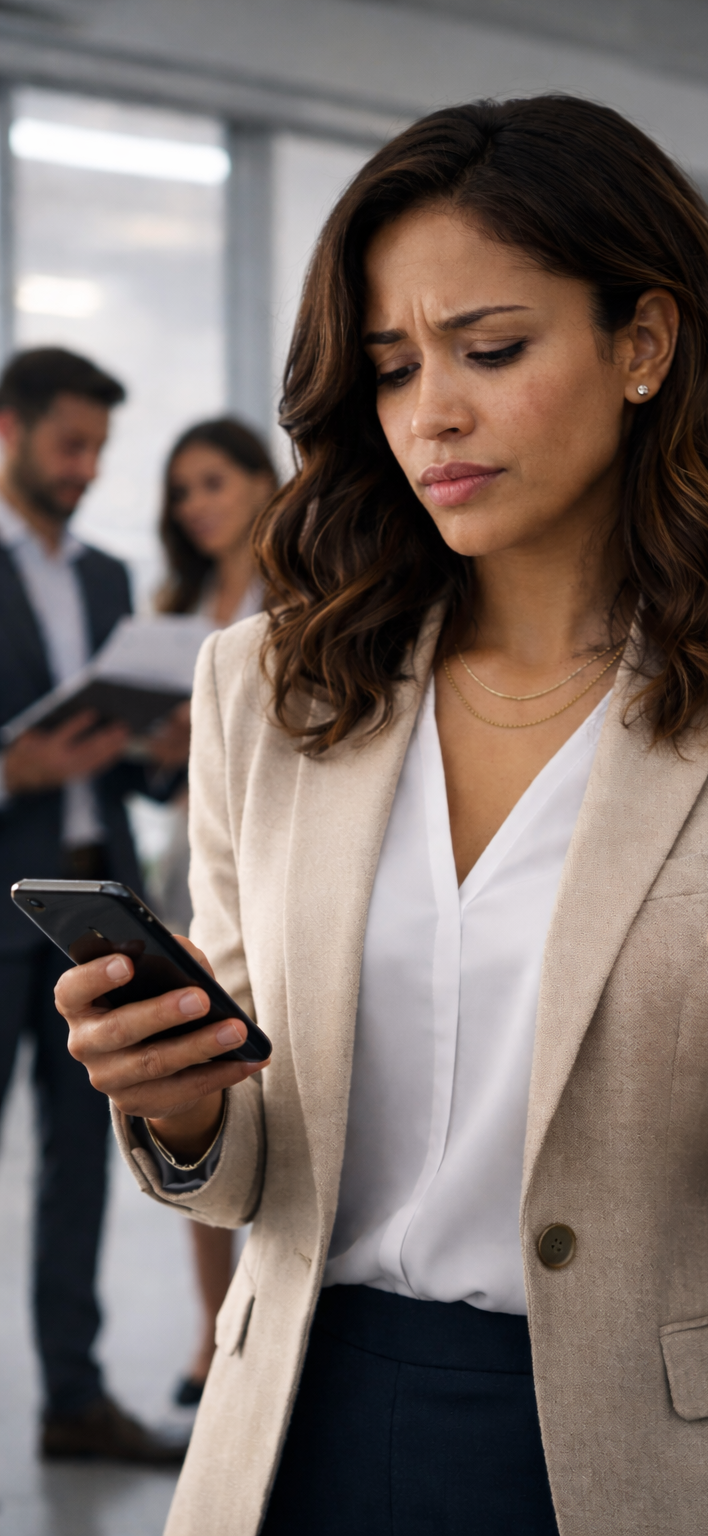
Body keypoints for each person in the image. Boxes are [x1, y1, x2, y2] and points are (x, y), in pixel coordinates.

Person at [56, 98, 708, 1536]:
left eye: (491, 350)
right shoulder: (270, 684)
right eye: (391, 366)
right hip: (296, 1436)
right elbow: (241, 1175)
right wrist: (178, 1098)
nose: (432, 408)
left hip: (656, 1466)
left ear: (643, 345)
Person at [0, 347, 189, 1463]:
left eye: (99, 450)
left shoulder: (114, 579)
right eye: (72, 446)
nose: (86, 469)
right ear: (11, 432)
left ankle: (74, 1399)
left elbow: (112, 759)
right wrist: (9, 772)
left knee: (85, 1167)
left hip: (89, 914)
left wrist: (156, 752)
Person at [150, 417, 277, 1406]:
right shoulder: (174, 607)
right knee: (183, 1092)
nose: (196, 506)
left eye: (211, 483)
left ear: (259, 482)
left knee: (259, 1081)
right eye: (182, 491)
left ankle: (271, 1309)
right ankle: (211, 1327)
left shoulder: (309, 595)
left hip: (266, 861)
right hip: (179, 859)